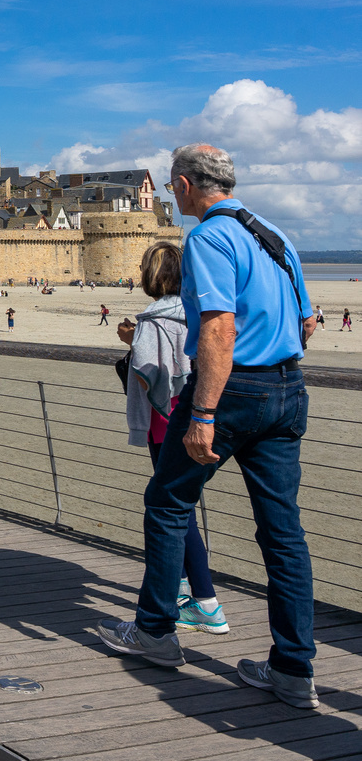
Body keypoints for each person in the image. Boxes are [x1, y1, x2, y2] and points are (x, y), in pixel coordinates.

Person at [97, 143, 318, 708]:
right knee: (283, 533)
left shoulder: (208, 237)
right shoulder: (275, 233)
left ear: (184, 184)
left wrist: (203, 412)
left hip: (232, 388)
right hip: (287, 386)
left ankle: (155, 632)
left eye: (173, 188)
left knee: (169, 503)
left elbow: (218, 329)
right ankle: (293, 668)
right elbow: (309, 321)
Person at [115, 242, 224, 633]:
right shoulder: (199, 312)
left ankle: (207, 602)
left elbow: (150, 371)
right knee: (179, 506)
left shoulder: (154, 320)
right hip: (202, 414)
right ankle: (177, 588)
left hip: (166, 422)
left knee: (174, 509)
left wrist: (132, 341)